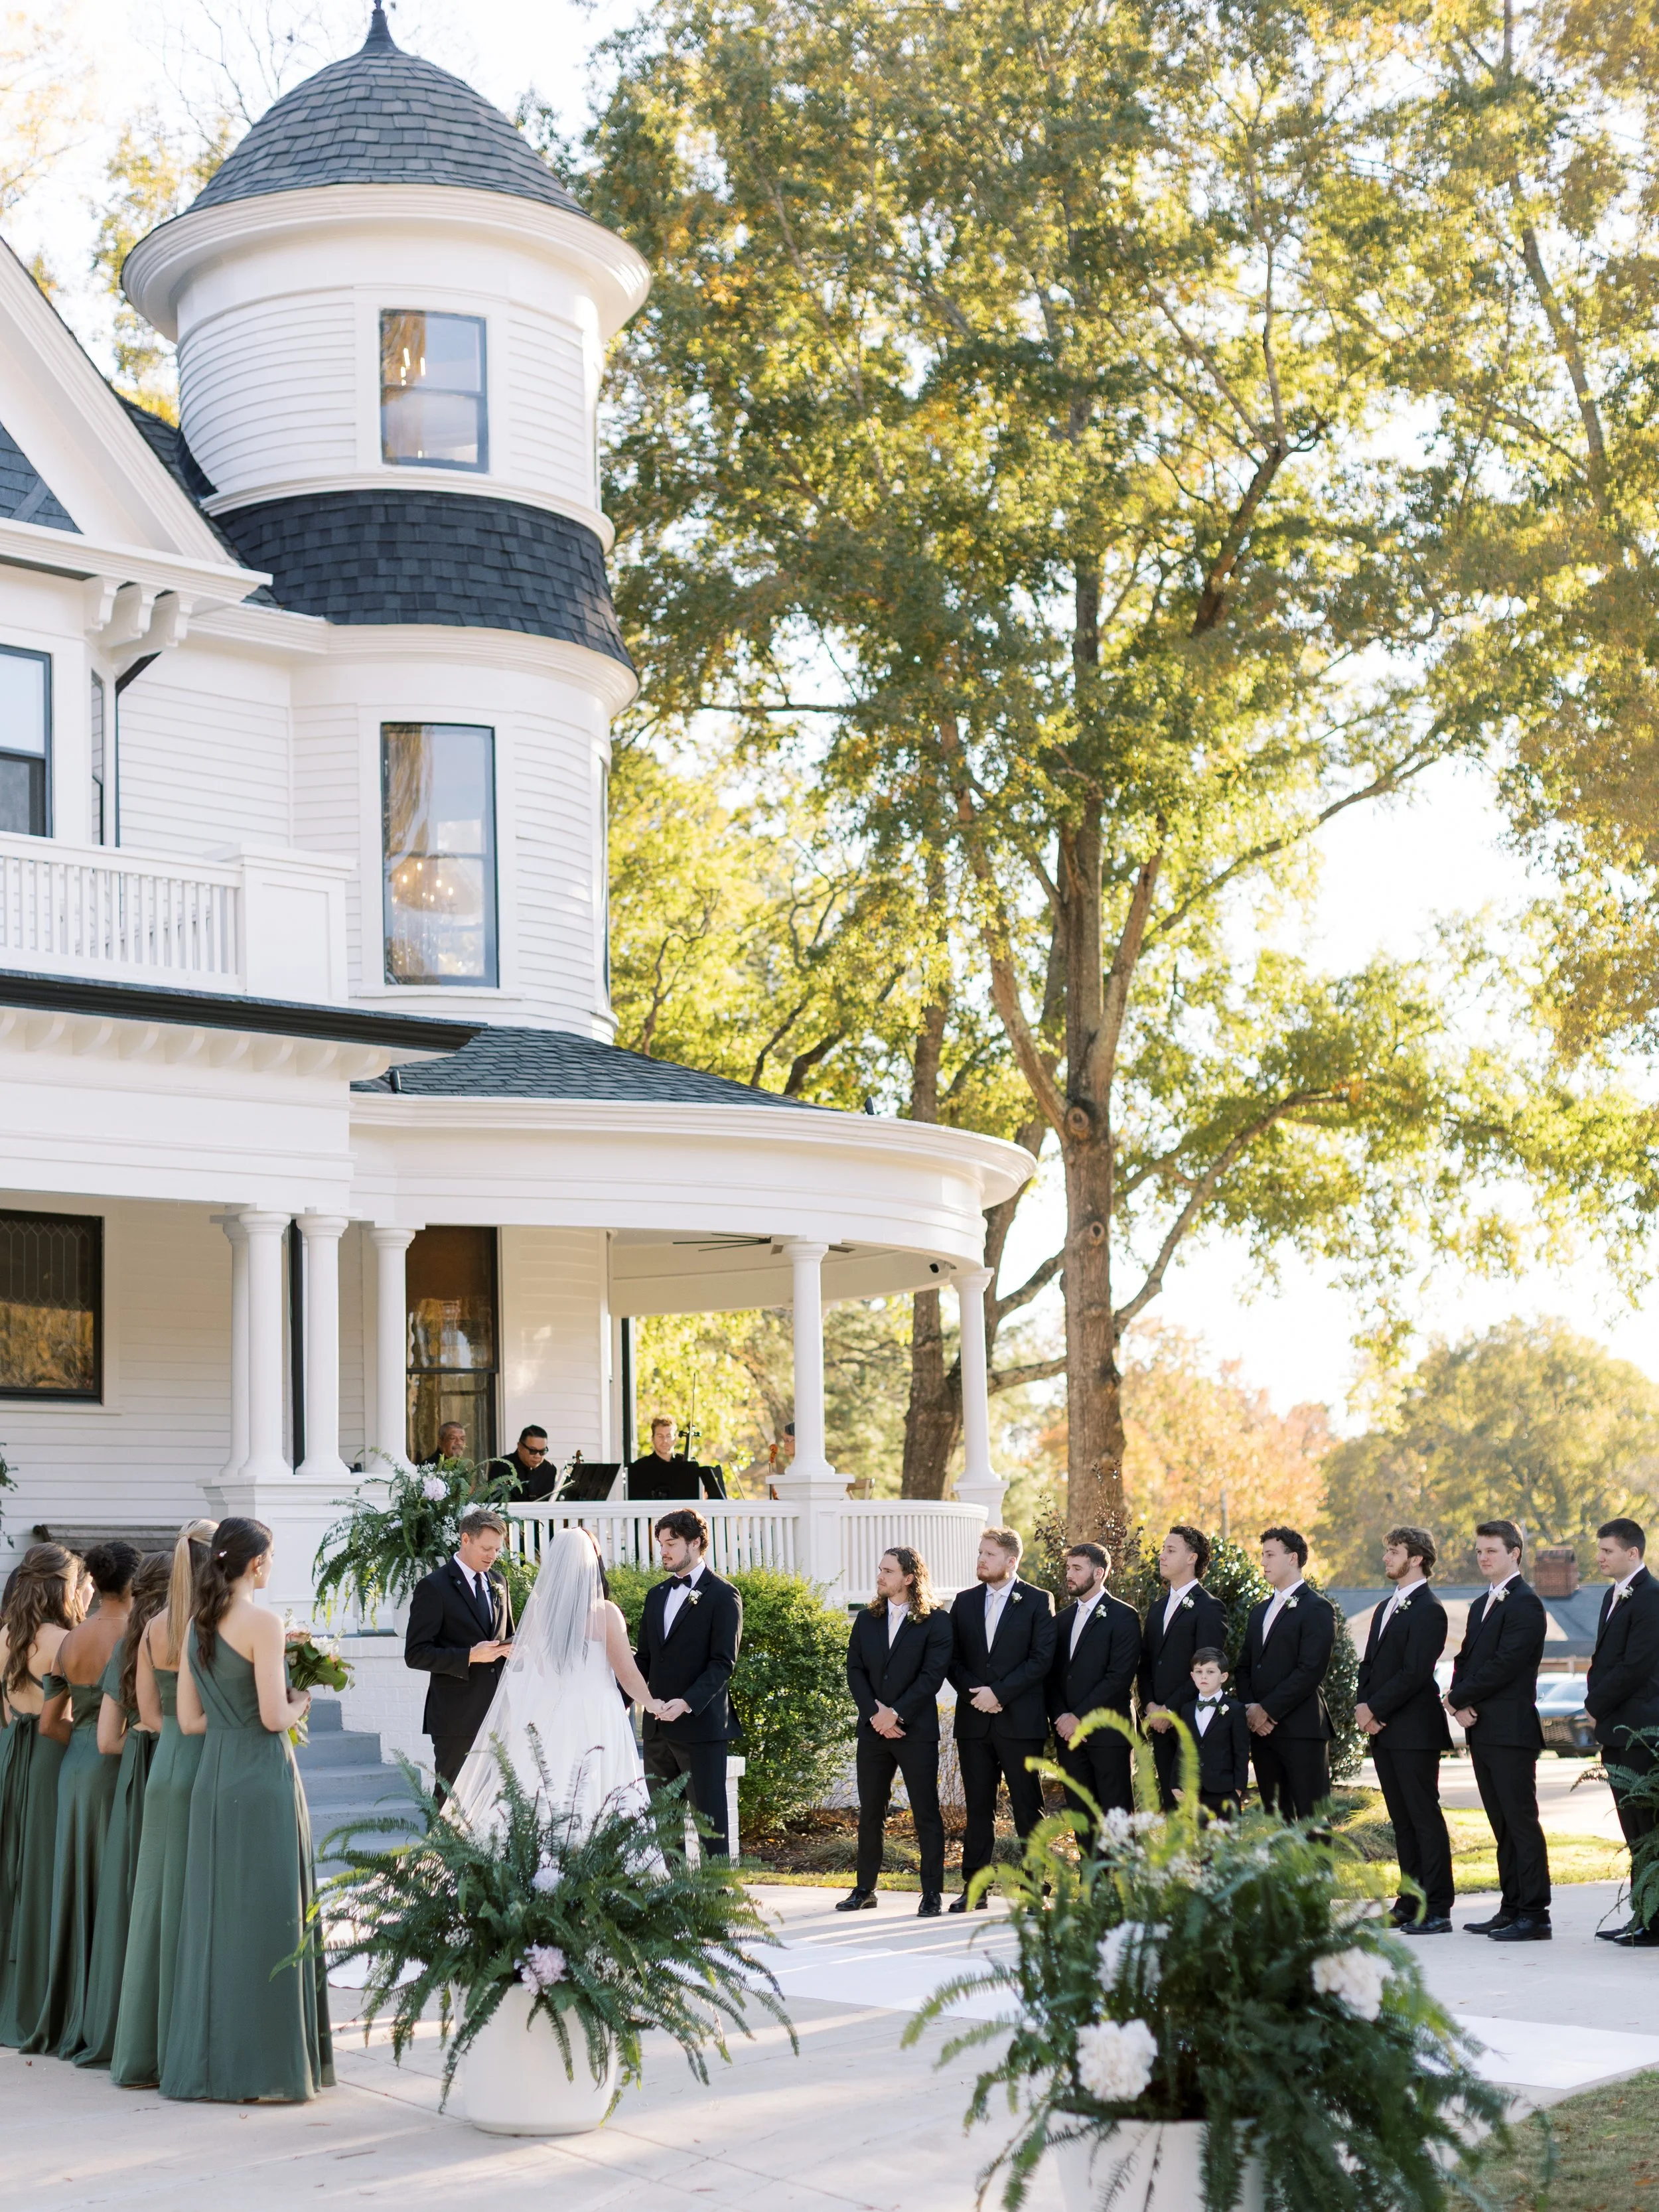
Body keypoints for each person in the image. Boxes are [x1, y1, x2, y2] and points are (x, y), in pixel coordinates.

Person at [161, 1516, 333, 2103]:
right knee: (270, 1915)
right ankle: (268, 2067)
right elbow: (273, 1716)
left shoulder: (196, 1625)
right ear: (257, 1563)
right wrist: (303, 1698)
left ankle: (211, 2064)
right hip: (261, 1778)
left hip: (214, 1775)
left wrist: (234, 1725)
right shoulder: (263, 1621)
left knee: (218, 1919)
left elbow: (187, 1721)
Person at [447, 1526, 657, 1839]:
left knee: (546, 1782)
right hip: (598, 1712)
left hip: (552, 1712)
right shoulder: (606, 1614)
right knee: (600, 1788)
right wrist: (654, 1704)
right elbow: (627, 1675)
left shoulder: (541, 1612)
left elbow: (543, 1670)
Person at [110, 1518, 217, 2089]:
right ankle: (195, 2041)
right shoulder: (217, 1624)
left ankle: (146, 2049)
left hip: (165, 1766)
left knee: (158, 1904)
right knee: (202, 1901)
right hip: (208, 1764)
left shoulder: (154, 1625)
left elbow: (150, 1718)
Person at [25, 1538, 138, 2058]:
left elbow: (50, 1724)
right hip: (119, 1763)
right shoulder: (136, 1635)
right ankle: (114, 2008)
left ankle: (73, 2003)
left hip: (75, 1769)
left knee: (79, 1882)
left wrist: (86, 1743)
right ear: (133, 1582)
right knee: (118, 1884)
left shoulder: (70, 1641)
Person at [76, 1551, 170, 2068]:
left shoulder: (127, 1648)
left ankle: (120, 2023)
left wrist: (141, 1732)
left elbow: (107, 1741)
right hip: (181, 1770)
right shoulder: (184, 1641)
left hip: (137, 1773)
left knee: (130, 1898)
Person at [1446, 1518, 1551, 1943]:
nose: (1482, 1558)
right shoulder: (1479, 1605)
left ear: (1515, 1554)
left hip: (1510, 1731)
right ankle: (1511, 1907)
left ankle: (1535, 1914)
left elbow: (1506, 1665)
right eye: (1479, 1551)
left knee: (1521, 1822)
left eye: (1491, 1551)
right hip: (1482, 1729)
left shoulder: (1526, 1604)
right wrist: (1460, 1699)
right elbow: (1467, 1660)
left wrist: (1458, 1699)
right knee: (1501, 1824)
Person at [0, 1545, 86, 2046]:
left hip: (12, 1758)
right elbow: (68, 1719)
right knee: (48, 1876)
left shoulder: (5, 1635)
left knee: (16, 1874)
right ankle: (46, 1997)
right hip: (54, 1760)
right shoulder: (64, 1641)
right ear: (60, 1587)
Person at [839, 1547, 954, 1917]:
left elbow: (931, 1676)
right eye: (880, 1569)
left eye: (888, 1571)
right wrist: (876, 1714)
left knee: (926, 1813)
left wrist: (897, 1714)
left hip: (915, 1731)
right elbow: (854, 1669)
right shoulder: (867, 1619)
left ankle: (932, 1894)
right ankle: (865, 1889)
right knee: (870, 1812)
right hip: (873, 1730)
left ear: (909, 1577)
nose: (880, 1576)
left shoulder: (936, 1621)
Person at [946, 1528, 1056, 1912]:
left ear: (1012, 1561)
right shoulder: (963, 1603)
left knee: (1029, 1806)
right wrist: (979, 1695)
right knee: (978, 1808)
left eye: (989, 1554)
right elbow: (953, 1660)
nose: (981, 1560)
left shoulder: (1039, 1601)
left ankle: (1032, 1887)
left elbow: (1041, 1660)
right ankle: (974, 1888)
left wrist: (1000, 1694)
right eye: (980, 1553)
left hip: (1020, 1722)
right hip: (975, 1722)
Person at [1356, 1525, 1454, 1934]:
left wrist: (1375, 1708)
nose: (1386, 1558)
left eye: (1393, 1551)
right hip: (1383, 1729)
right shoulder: (1384, 1608)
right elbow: (1370, 1665)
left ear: (1416, 1558)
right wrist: (1363, 1707)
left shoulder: (1431, 1609)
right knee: (1402, 1820)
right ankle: (1410, 1900)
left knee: (1423, 1818)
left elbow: (1415, 1672)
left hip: (1414, 1731)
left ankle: (1437, 1908)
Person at [634, 1509, 744, 1858]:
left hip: (700, 1727)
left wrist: (686, 1702)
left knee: (710, 1823)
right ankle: (674, 1901)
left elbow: (722, 1663)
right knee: (664, 1827)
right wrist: (622, 1698)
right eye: (661, 1544)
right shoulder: (656, 1596)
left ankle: (718, 1901)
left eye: (672, 1543)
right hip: (656, 1729)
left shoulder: (724, 1596)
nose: (664, 1551)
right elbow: (645, 1660)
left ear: (696, 1543)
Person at [1585, 1517, 1659, 1949]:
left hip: (1640, 1730)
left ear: (1633, 1553)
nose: (1600, 1557)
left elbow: (1637, 1665)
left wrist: (1593, 1705)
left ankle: (1654, 1920)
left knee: (1648, 1831)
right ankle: (1641, 1914)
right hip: (1616, 1729)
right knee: (1633, 1832)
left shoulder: (1650, 1597)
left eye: (1608, 1551)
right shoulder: (1611, 1597)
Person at [403, 1506, 516, 1791]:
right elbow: (416, 1654)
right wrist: (469, 1656)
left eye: (497, 1550)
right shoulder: (434, 1587)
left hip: (499, 1713)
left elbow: (509, 1636)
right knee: (453, 1801)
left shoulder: (499, 1582)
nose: (492, 1556)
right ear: (466, 1540)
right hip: (456, 1718)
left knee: (498, 1802)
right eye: (486, 1548)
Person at [1235, 1526, 1336, 1820]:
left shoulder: (1318, 1608)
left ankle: (1317, 1870)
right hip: (1263, 1735)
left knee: (1311, 1821)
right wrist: (1252, 1709)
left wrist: (1267, 1710)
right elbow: (1244, 1667)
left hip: (1302, 1731)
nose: (1263, 1562)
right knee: (1277, 1821)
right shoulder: (1259, 1611)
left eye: (1270, 1555)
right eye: (1262, 1555)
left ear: (1292, 1558)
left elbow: (1311, 1670)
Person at [1046, 1541, 1141, 1831]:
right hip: (1068, 1735)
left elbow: (1119, 1677)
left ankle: (1123, 1876)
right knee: (1081, 1814)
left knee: (1117, 1812)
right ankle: (1090, 1876)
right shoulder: (1061, 1621)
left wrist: (1079, 1718)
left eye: (1077, 1568)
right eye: (1068, 1568)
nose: (1069, 1575)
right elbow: (1050, 1676)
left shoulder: (1124, 1616)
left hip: (1108, 1731)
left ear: (1099, 1573)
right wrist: (1062, 1717)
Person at [1138, 1526, 1228, 1810]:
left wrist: (1169, 1710)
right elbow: (1147, 1664)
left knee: (1196, 1806)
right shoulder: (1157, 1608)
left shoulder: (1210, 1608)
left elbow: (1207, 1671)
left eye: (1171, 1550)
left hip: (1192, 1722)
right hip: (1159, 1723)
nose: (1162, 1556)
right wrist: (1150, 1706)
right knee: (1171, 1807)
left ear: (1192, 1558)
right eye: (1163, 1550)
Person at [1177, 1649, 1250, 1819]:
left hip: (1225, 1791)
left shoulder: (1235, 1710)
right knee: (1198, 1841)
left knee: (1226, 1842)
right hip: (1194, 1791)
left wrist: (1238, 1788)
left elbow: (1241, 1750)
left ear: (1223, 1677)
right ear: (1192, 1676)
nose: (1204, 1677)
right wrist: (1176, 1783)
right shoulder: (1187, 1710)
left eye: (1210, 1672)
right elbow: (1182, 1748)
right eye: (1199, 1672)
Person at [487, 1425, 558, 1503]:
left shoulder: (549, 1470)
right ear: (520, 1447)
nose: (538, 1456)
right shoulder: (502, 1467)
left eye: (542, 1451)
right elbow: (494, 1501)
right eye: (533, 1451)